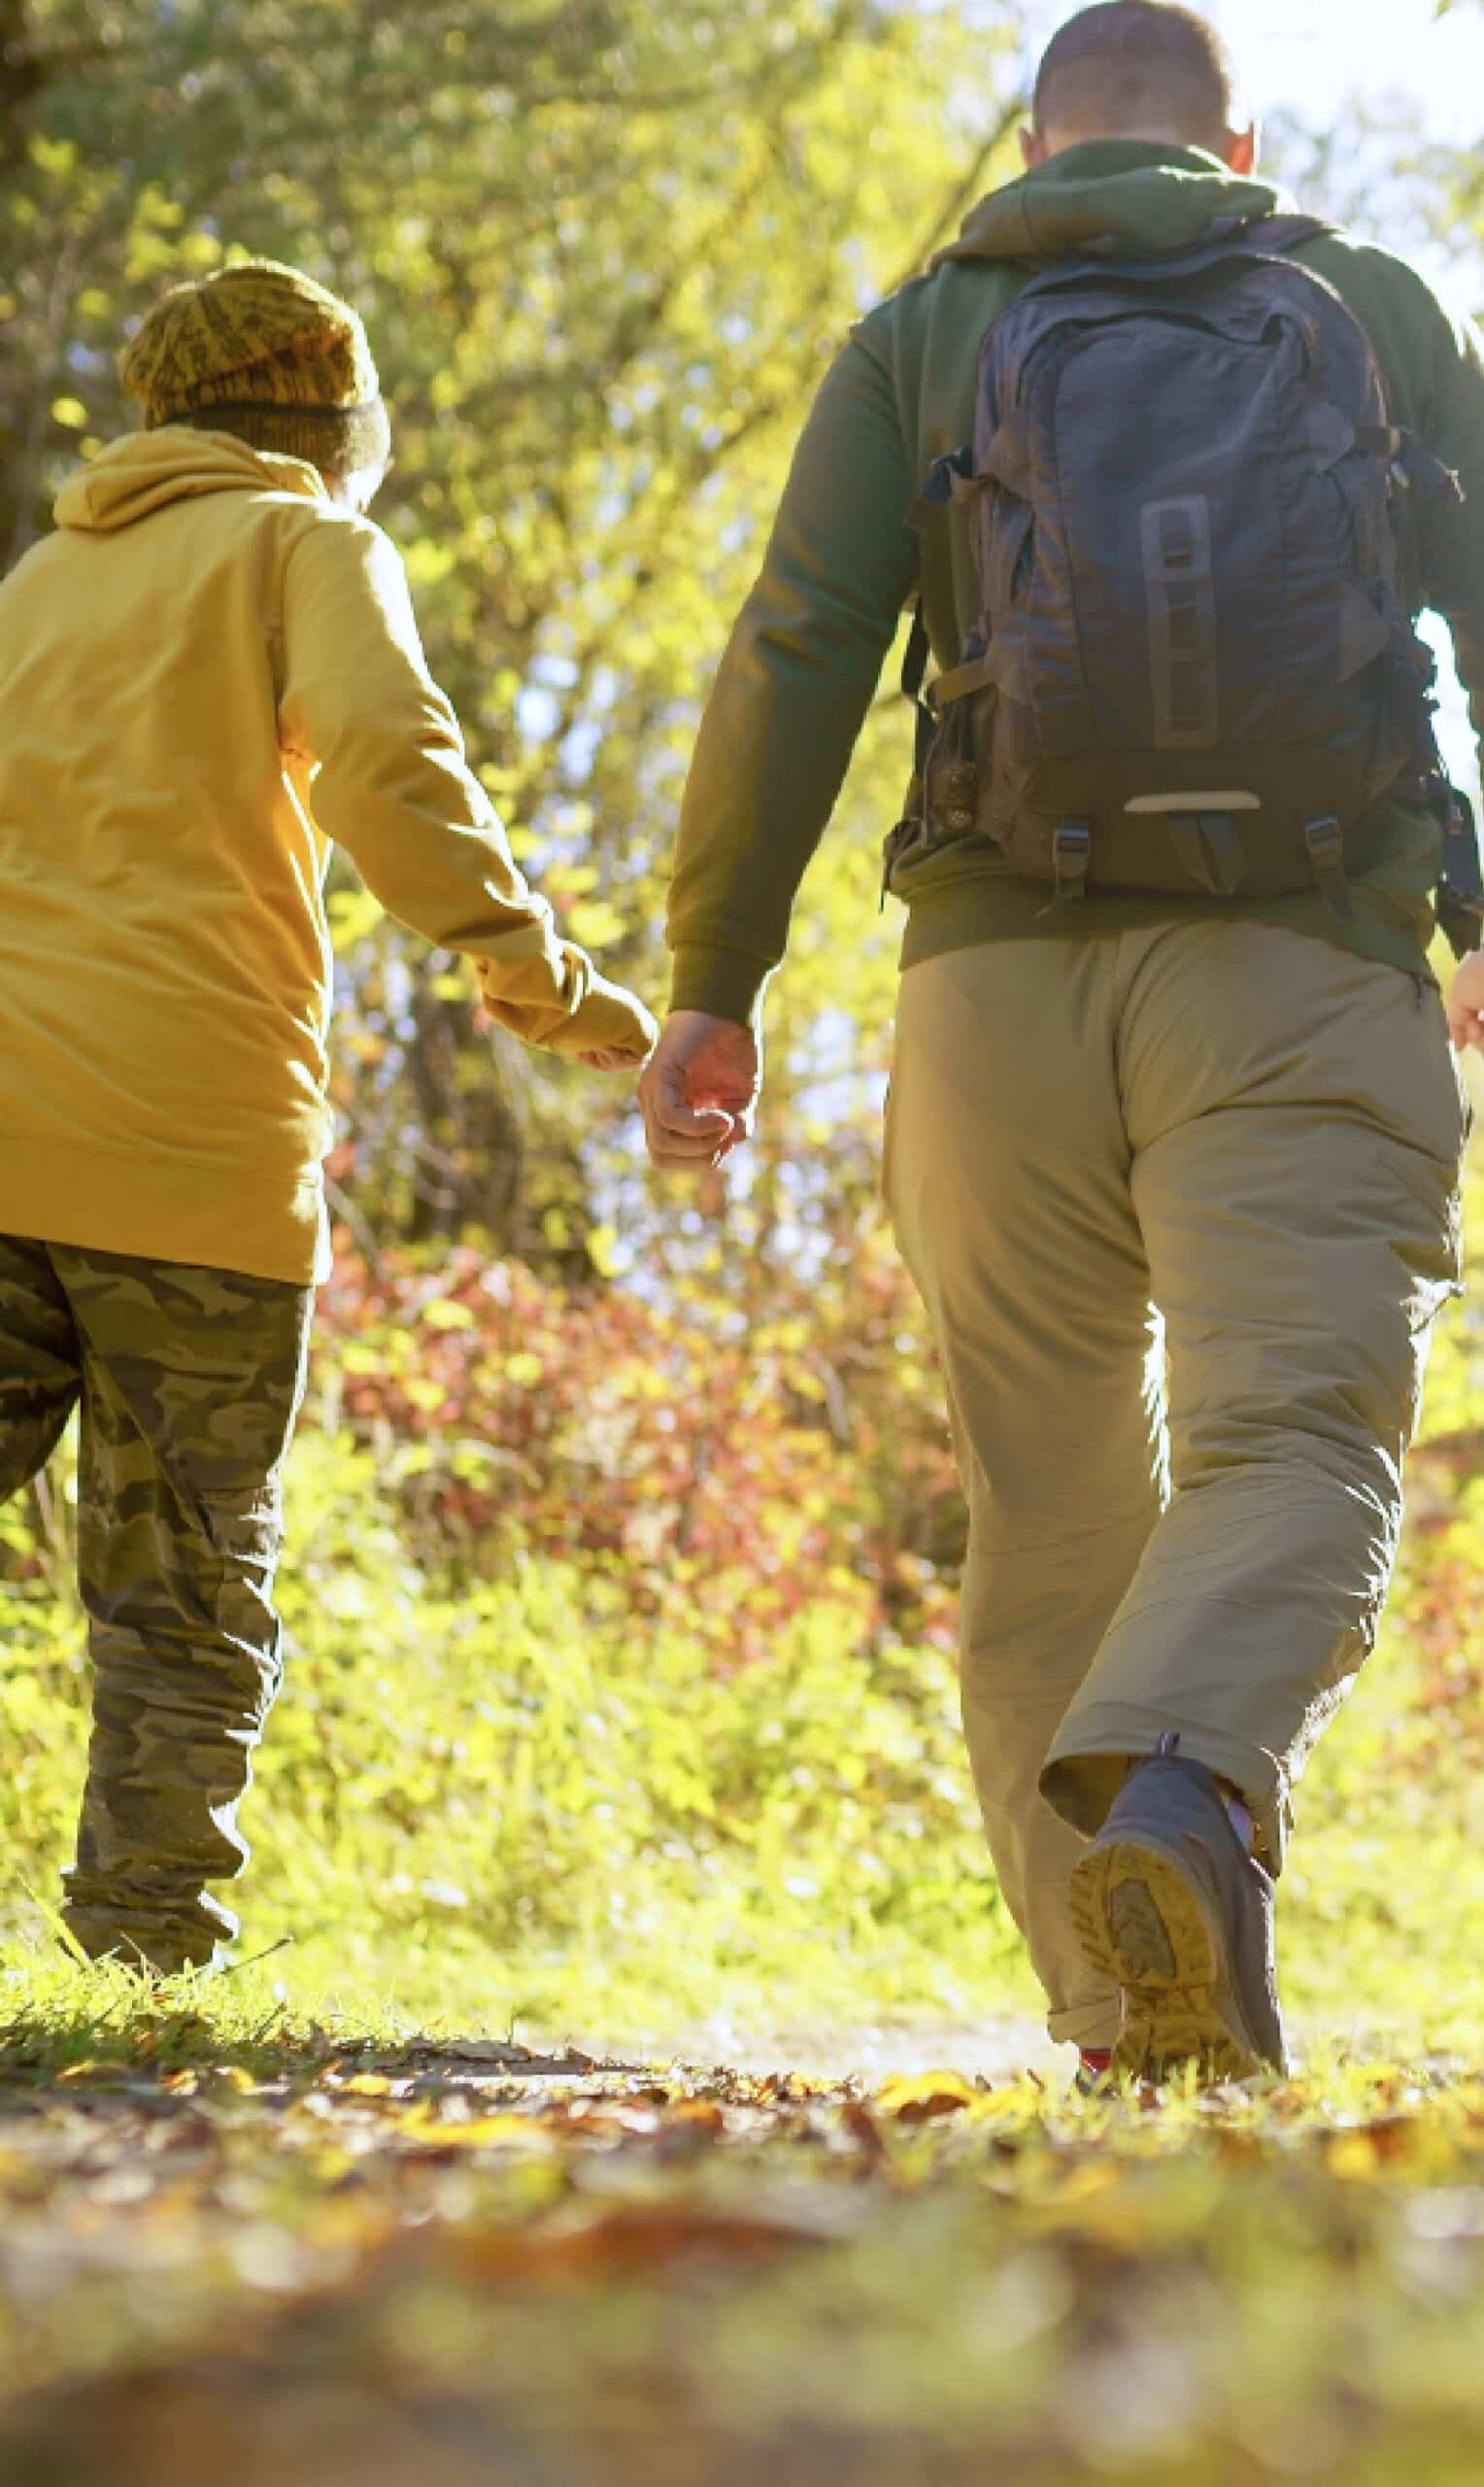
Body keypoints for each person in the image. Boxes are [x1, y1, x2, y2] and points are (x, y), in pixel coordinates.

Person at [639, 0, 1484, 2082]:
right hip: (1294, 953)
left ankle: (1135, 2023)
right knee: (1287, 1440)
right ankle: (1182, 1796)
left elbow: (795, 643)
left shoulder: (923, 325)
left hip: (988, 993)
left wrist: (708, 982)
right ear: (1236, 143)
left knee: (1045, 1506)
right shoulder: (1363, 299)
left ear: (1033, 147)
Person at [0, 258, 656, 1976]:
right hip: (191, 1148)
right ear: (328, 425)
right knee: (187, 1589)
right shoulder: (307, 547)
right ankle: (140, 1962)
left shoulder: (39, 581)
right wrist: (550, 985)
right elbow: (391, 767)